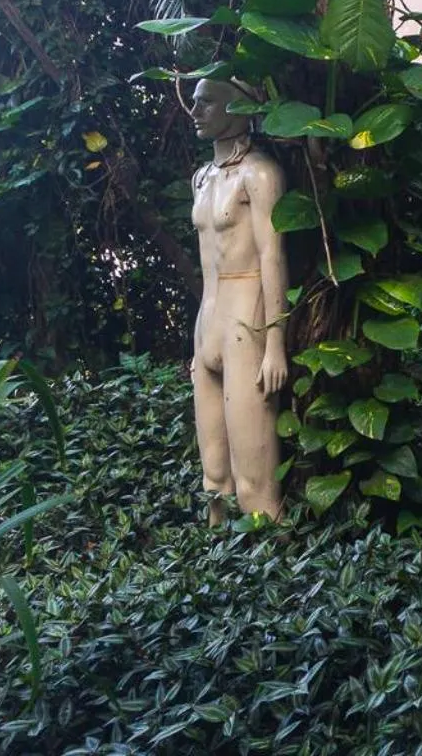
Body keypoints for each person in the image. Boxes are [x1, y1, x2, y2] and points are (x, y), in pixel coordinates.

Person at [188, 77, 289, 522]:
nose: (195, 112)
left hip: (247, 323)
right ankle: (221, 580)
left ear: (237, 109)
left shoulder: (260, 174)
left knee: (255, 485)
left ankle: (272, 576)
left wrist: (276, 342)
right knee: (215, 480)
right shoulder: (202, 178)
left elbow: (273, 255)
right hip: (207, 323)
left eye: (206, 103)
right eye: (194, 103)